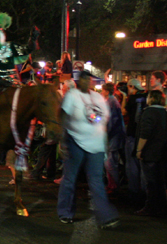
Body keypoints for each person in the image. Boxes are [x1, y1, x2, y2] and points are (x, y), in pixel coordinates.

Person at [57, 70, 119, 228]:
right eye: (84, 80)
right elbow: (63, 116)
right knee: (70, 179)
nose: (87, 82)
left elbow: (104, 121)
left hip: (95, 144)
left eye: (89, 79)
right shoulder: (72, 96)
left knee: (97, 180)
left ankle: (105, 216)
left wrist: (104, 145)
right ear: (78, 81)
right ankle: (65, 212)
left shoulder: (98, 97)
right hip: (75, 141)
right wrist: (62, 141)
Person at [135, 90, 167, 216]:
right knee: (160, 181)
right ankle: (161, 206)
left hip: (150, 152)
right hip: (164, 153)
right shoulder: (166, 114)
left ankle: (151, 207)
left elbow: (145, 133)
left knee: (151, 182)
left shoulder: (148, 113)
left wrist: (139, 149)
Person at [124, 78, 148, 206]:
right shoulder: (147, 96)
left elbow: (124, 111)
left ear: (132, 86)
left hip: (133, 133)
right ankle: (144, 192)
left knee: (132, 164)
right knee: (143, 166)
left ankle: (133, 192)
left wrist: (124, 99)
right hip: (145, 134)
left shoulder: (132, 99)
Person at [101, 83, 125, 193]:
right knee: (109, 161)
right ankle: (111, 184)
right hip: (113, 135)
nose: (101, 92)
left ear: (106, 91)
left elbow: (110, 121)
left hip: (112, 136)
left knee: (110, 162)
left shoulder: (111, 102)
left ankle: (114, 185)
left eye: (103, 90)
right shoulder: (111, 101)